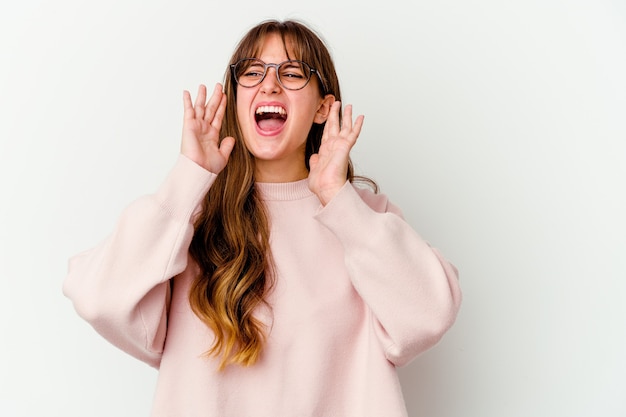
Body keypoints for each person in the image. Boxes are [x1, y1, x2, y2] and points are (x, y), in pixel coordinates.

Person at [63, 19, 462, 417]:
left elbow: (429, 316)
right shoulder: (187, 222)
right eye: (253, 72)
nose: (269, 84)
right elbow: (101, 299)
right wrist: (189, 176)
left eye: (291, 73)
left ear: (323, 107)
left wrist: (339, 201)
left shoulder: (366, 220)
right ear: (237, 97)